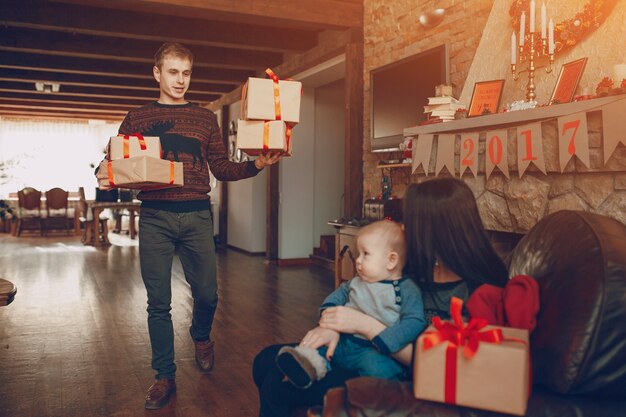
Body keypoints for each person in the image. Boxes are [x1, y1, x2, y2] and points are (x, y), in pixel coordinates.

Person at [99, 42, 282, 410]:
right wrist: (105, 173)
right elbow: (115, 163)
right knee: (158, 303)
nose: (180, 80)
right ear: (157, 73)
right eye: (172, 72)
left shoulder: (205, 118)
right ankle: (164, 375)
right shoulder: (136, 117)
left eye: (186, 73)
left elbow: (221, 167)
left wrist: (256, 165)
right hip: (154, 217)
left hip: (198, 214)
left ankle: (201, 335)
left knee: (208, 294)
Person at [252, 177, 509, 417]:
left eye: (411, 223)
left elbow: (444, 367)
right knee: (265, 360)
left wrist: (365, 326)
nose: (404, 229)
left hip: (395, 372)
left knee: (277, 386)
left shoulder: (478, 292)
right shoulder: (412, 269)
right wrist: (333, 329)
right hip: (357, 348)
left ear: (437, 230)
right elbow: (360, 297)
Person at [275, 220, 426, 388]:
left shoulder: (407, 289)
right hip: (342, 340)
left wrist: (388, 340)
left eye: (365, 254)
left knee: (379, 367)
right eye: (358, 254)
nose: (358, 260)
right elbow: (338, 295)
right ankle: (304, 368)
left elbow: (414, 321)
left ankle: (385, 394)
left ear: (391, 260)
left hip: (372, 349)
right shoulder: (356, 281)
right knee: (319, 350)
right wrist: (329, 315)